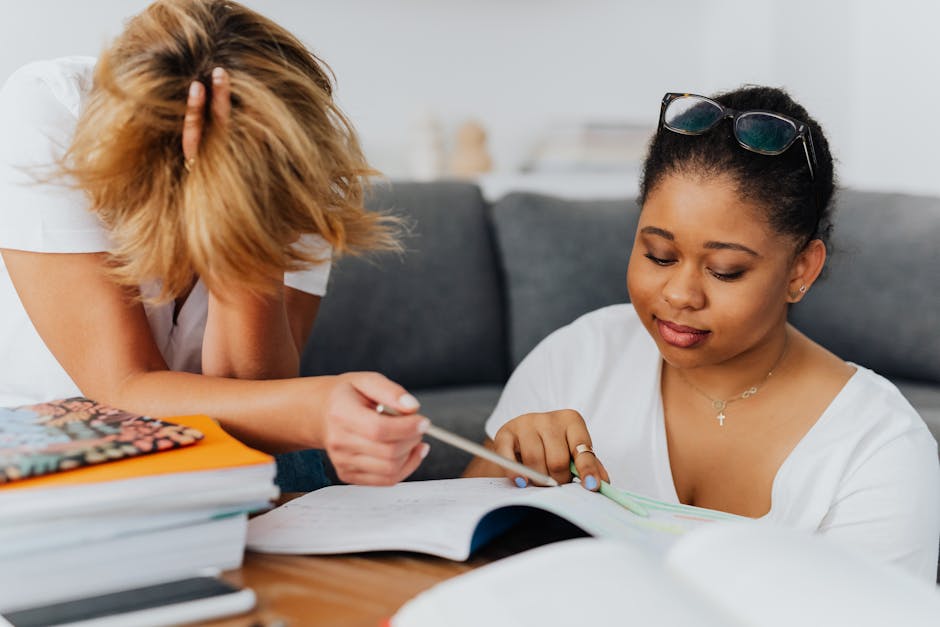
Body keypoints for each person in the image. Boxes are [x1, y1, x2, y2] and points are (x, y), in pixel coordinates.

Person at [465, 87, 940, 580]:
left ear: (801, 269)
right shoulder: (579, 357)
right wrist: (506, 468)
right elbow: (450, 557)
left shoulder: (879, 450)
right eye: (658, 255)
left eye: (725, 270)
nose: (680, 294)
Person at [0, 0, 430, 489]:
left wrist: (245, 210)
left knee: (286, 462)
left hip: (215, 438)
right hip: (54, 430)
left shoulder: (294, 152)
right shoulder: (50, 107)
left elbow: (253, 395)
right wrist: (312, 408)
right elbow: (119, 390)